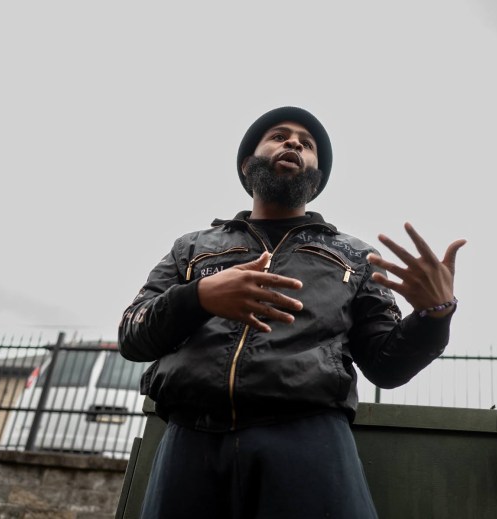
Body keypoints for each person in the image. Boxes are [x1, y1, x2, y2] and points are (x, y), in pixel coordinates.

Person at [118, 106, 466, 518]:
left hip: (311, 441)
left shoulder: (354, 256)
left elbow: (387, 366)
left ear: (315, 179)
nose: (294, 143)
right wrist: (199, 297)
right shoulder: (192, 247)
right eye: (279, 136)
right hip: (190, 441)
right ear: (249, 164)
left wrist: (434, 316)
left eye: (307, 143)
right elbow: (132, 334)